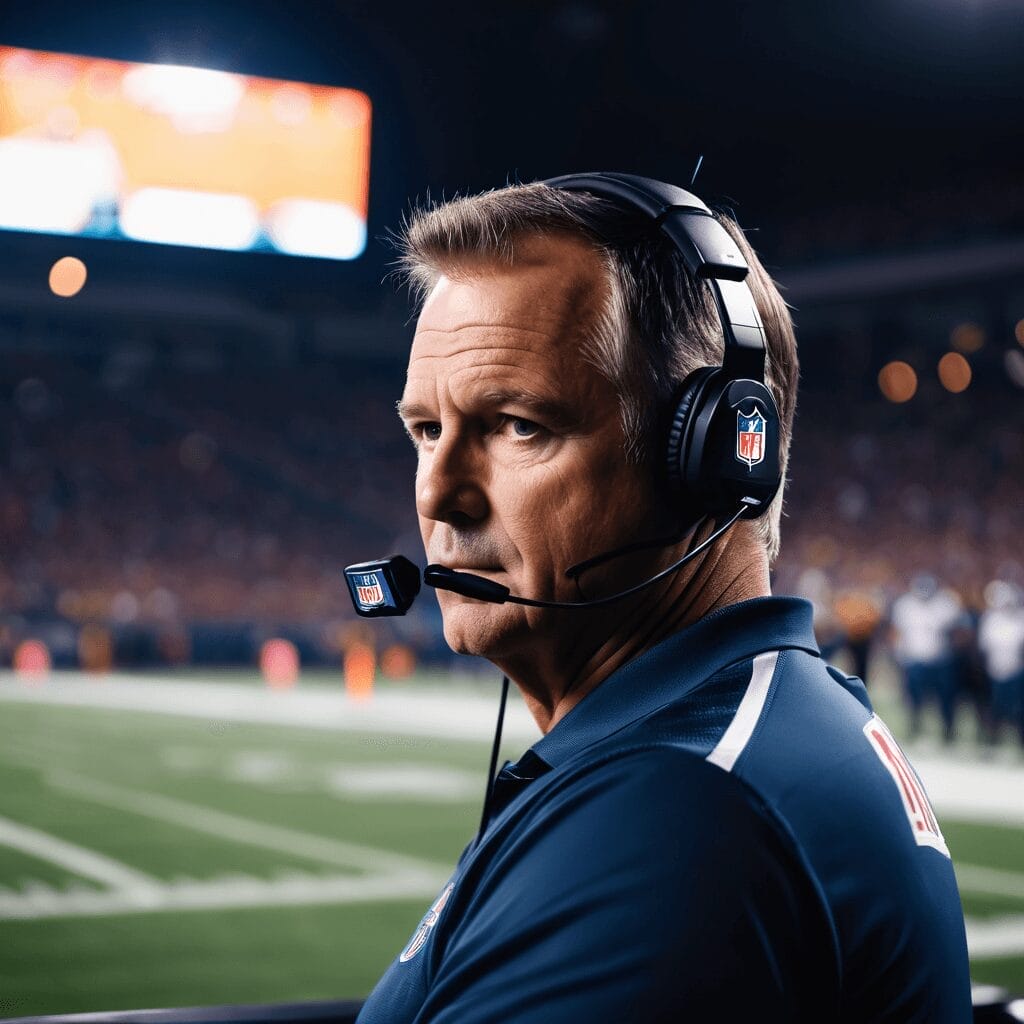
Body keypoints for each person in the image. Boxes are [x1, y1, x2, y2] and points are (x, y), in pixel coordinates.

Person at [355, 177, 971, 1022]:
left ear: (717, 458)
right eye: (426, 431)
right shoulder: (740, 734)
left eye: (517, 425)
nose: (438, 494)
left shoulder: (675, 816)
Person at [890, 574, 964, 742]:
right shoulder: (905, 606)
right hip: (914, 660)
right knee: (913, 698)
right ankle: (914, 727)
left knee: (945, 699)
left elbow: (956, 631)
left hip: (940, 660)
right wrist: (899, 654)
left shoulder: (945, 603)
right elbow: (898, 633)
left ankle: (948, 730)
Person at [979, 580, 1024, 747]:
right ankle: (993, 741)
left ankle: (1020, 743)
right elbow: (985, 647)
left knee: (1019, 710)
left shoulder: (1020, 618)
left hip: (1017, 671)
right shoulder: (991, 619)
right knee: (996, 708)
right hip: (996, 670)